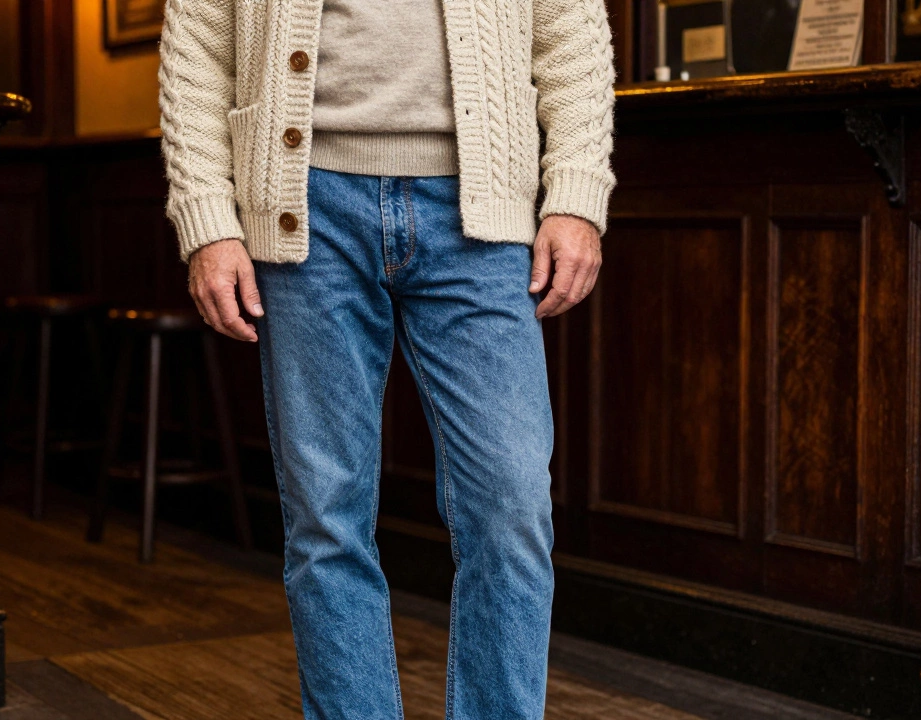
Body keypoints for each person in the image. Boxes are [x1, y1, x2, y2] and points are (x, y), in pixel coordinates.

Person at [158, 0, 614, 715]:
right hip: (302, 202)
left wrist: (577, 194)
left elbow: (571, 34)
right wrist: (207, 219)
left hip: (482, 208)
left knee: (512, 502)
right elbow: (196, 46)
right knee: (325, 514)